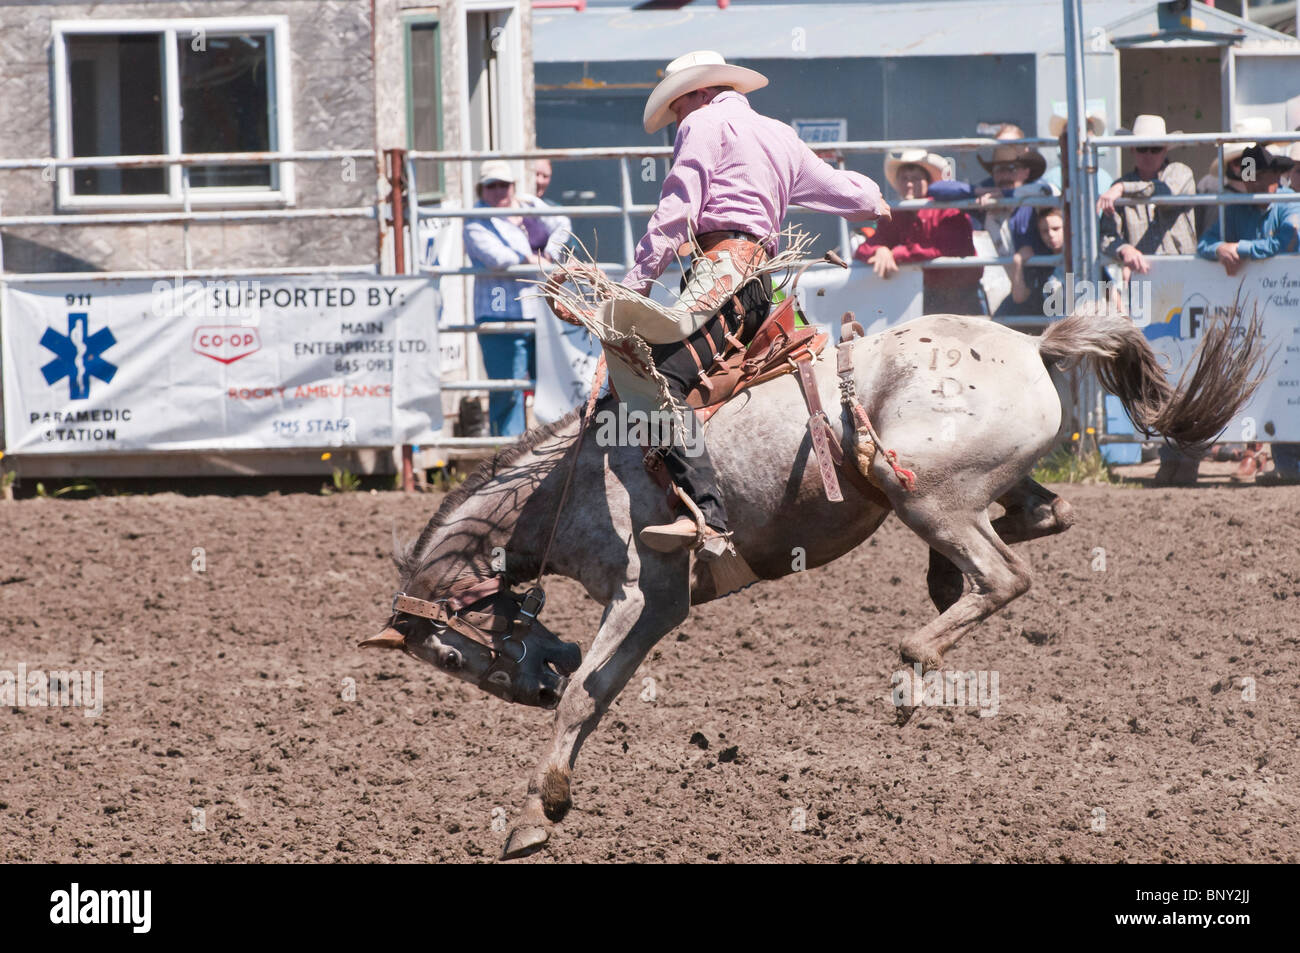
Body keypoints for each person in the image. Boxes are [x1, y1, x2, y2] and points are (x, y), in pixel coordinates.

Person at [620, 50, 888, 559]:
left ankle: (706, 517)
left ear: (695, 93)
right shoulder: (779, 133)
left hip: (721, 273)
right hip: (762, 280)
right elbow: (843, 192)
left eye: (675, 109)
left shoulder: (701, 122)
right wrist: (873, 198)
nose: (676, 121)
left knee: (659, 381)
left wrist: (637, 284)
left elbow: (678, 207)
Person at [464, 160, 562, 437]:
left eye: (503, 185)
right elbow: (497, 258)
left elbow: (563, 224)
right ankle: (508, 459)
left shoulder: (529, 205)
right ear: (481, 189)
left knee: (552, 388)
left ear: (513, 186)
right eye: (491, 186)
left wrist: (551, 252)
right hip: (500, 316)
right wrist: (531, 258)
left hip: (540, 313)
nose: (498, 191)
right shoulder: (475, 218)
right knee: (508, 393)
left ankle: (556, 456)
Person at [854, 149, 982, 315]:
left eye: (915, 178)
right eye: (904, 178)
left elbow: (946, 250)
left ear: (928, 183)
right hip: (922, 294)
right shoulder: (896, 214)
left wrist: (896, 254)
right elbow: (863, 249)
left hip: (961, 293)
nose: (909, 184)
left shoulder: (947, 210)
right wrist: (880, 250)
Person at [1096, 114, 1197, 278]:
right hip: (1143, 274)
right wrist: (1123, 249)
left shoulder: (1180, 172)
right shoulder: (1120, 187)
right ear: (1132, 149)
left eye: (1155, 148)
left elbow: (1164, 191)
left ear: (1164, 150)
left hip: (1183, 272)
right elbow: (1106, 236)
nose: (1148, 154)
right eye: (1142, 147)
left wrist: (1122, 188)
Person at [1003, 206, 1066, 317]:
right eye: (1045, 231)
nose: (1051, 235)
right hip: (1054, 326)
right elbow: (1019, 297)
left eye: (1056, 229)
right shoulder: (1040, 262)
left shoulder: (1081, 258)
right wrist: (1018, 262)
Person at [518, 158, 573, 263]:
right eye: (536, 174)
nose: (540, 181)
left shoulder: (556, 210)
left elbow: (570, 250)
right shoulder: (513, 206)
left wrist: (548, 255)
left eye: (545, 176)